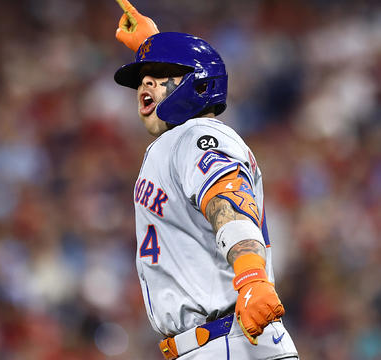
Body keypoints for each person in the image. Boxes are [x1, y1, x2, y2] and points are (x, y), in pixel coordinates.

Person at [112, 1, 299, 359]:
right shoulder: (177, 143)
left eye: (160, 73)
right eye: (141, 78)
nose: (144, 84)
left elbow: (228, 199)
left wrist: (251, 277)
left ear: (198, 84)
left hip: (232, 342)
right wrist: (154, 47)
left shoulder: (197, 134)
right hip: (217, 344)